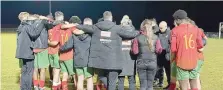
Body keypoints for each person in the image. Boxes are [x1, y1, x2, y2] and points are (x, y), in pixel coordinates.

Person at [65, 11, 139, 90]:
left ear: (104, 18)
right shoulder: (117, 28)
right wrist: (140, 32)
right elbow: (131, 35)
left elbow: (83, 27)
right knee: (112, 83)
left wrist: (73, 25)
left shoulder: (95, 27)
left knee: (102, 77)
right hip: (114, 62)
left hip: (99, 62)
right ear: (111, 18)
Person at [170, 9, 203, 90]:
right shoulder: (196, 29)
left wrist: (171, 60)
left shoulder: (175, 31)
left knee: (184, 86)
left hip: (181, 62)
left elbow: (173, 49)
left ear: (178, 19)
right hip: (194, 61)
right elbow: (200, 46)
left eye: (175, 19)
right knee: (194, 84)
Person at [16, 12, 47, 90]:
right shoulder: (26, 26)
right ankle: (28, 88)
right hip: (27, 52)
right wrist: (42, 21)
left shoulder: (20, 26)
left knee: (24, 72)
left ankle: (23, 88)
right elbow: (34, 33)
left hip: (21, 52)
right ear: (25, 18)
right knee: (29, 72)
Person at [60, 18, 94, 90]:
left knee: (80, 79)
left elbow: (67, 46)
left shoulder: (74, 34)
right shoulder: (92, 35)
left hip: (77, 59)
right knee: (89, 79)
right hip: (88, 60)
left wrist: (60, 48)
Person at [132, 19, 162, 90]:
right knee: (150, 85)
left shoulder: (137, 38)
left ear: (142, 27)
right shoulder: (156, 37)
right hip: (152, 63)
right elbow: (159, 50)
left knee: (143, 85)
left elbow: (135, 52)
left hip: (141, 63)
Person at [59, 15, 80, 90]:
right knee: (75, 75)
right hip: (69, 55)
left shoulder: (61, 28)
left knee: (65, 75)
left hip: (61, 55)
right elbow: (78, 32)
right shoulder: (72, 28)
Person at [31, 14, 50, 90]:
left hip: (33, 49)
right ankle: (41, 86)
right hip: (43, 49)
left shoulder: (31, 25)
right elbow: (52, 23)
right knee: (42, 69)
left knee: (34, 69)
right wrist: (45, 18)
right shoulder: (44, 23)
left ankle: (35, 86)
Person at [117, 15, 136, 90]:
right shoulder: (133, 31)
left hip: (120, 59)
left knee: (120, 81)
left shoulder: (118, 30)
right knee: (132, 81)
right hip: (131, 59)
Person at [48, 11, 65, 90]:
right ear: (62, 17)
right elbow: (55, 42)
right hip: (57, 52)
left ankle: (57, 84)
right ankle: (55, 86)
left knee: (55, 69)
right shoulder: (61, 26)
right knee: (57, 70)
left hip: (50, 51)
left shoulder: (50, 26)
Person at [155, 21, 171, 88]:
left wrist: (167, 50)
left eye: (161, 28)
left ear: (165, 27)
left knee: (168, 71)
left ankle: (170, 84)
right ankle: (160, 82)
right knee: (159, 70)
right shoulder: (157, 33)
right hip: (159, 55)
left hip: (167, 55)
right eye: (159, 28)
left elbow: (171, 44)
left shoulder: (170, 33)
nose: (160, 29)